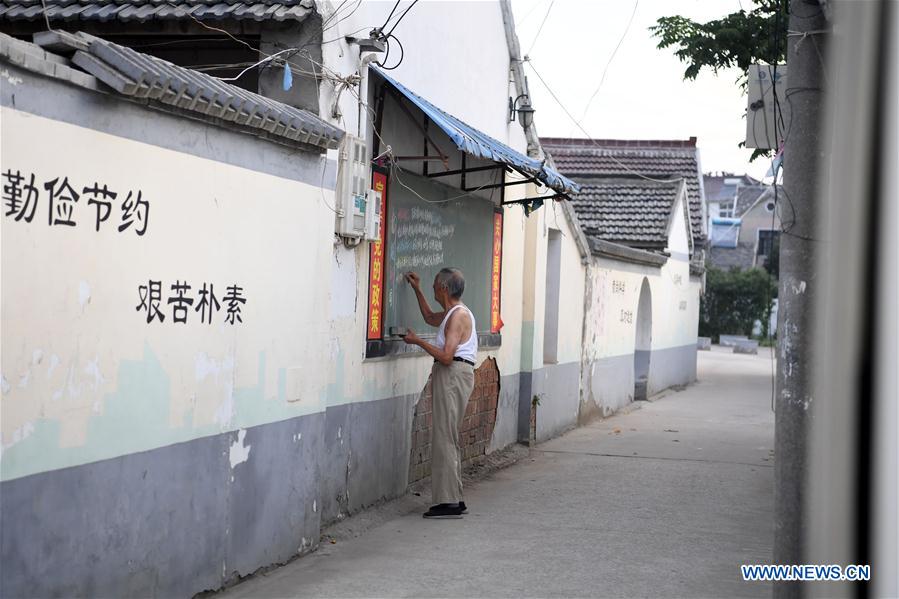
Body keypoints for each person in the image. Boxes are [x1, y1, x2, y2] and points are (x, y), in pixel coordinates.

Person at [402, 267, 478, 519]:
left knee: (444, 436)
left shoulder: (457, 316)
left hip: (453, 373)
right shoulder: (451, 313)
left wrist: (418, 342)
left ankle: (447, 503)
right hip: (455, 374)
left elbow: (446, 356)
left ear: (444, 288)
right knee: (449, 435)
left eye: (435, 285)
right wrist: (417, 289)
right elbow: (428, 317)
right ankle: (455, 497)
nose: (433, 288)